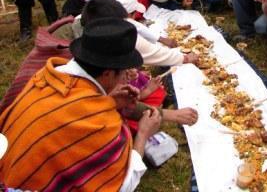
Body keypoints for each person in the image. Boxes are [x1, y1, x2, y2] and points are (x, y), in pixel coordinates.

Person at [0, 18, 160, 191]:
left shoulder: (48, 76)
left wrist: (109, 101)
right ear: (107, 73)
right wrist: (143, 134)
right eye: (124, 72)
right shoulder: (99, 122)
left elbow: (72, 109)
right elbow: (123, 186)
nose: (127, 77)